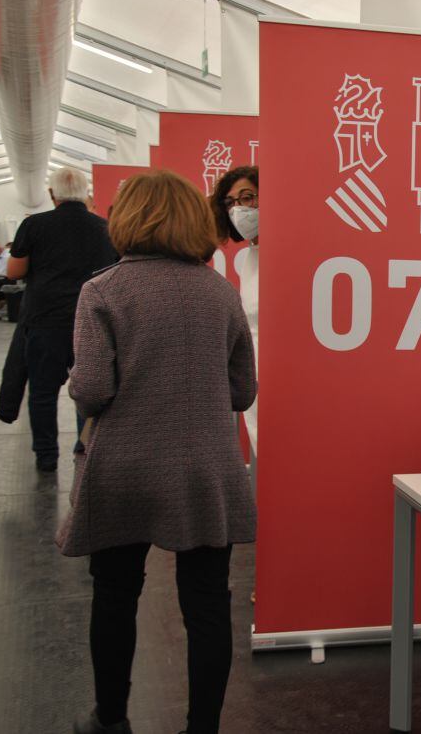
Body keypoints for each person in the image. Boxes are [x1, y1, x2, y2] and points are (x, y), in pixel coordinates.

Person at [59, 170, 257, 734]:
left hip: (123, 466)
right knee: (207, 604)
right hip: (205, 469)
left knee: (115, 594)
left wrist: (79, 384)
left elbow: (92, 389)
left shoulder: (103, 291)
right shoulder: (221, 293)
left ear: (127, 220)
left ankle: (111, 719)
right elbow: (242, 392)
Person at [5, 167, 117, 471]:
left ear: (52, 194)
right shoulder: (105, 228)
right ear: (86, 194)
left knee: (42, 392)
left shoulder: (34, 224)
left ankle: (46, 456)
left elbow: (14, 272)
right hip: (93, 321)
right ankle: (86, 450)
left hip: (45, 320)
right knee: (89, 391)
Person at [210, 166, 259, 453]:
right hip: (254, 376)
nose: (238, 209)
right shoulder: (251, 256)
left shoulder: (285, 253)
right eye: (230, 202)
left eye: (248, 197)